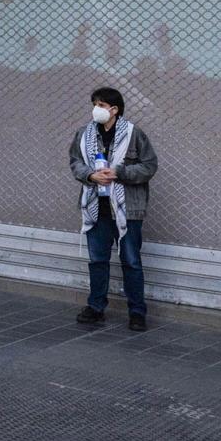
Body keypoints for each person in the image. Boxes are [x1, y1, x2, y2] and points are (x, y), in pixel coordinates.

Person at [68, 86, 158, 331]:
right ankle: (96, 307)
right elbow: (75, 162)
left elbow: (149, 166)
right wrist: (90, 176)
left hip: (127, 209)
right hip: (96, 207)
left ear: (114, 110)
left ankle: (137, 312)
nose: (96, 109)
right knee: (97, 260)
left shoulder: (133, 134)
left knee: (131, 261)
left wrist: (120, 172)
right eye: (94, 103)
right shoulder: (84, 134)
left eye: (101, 105)